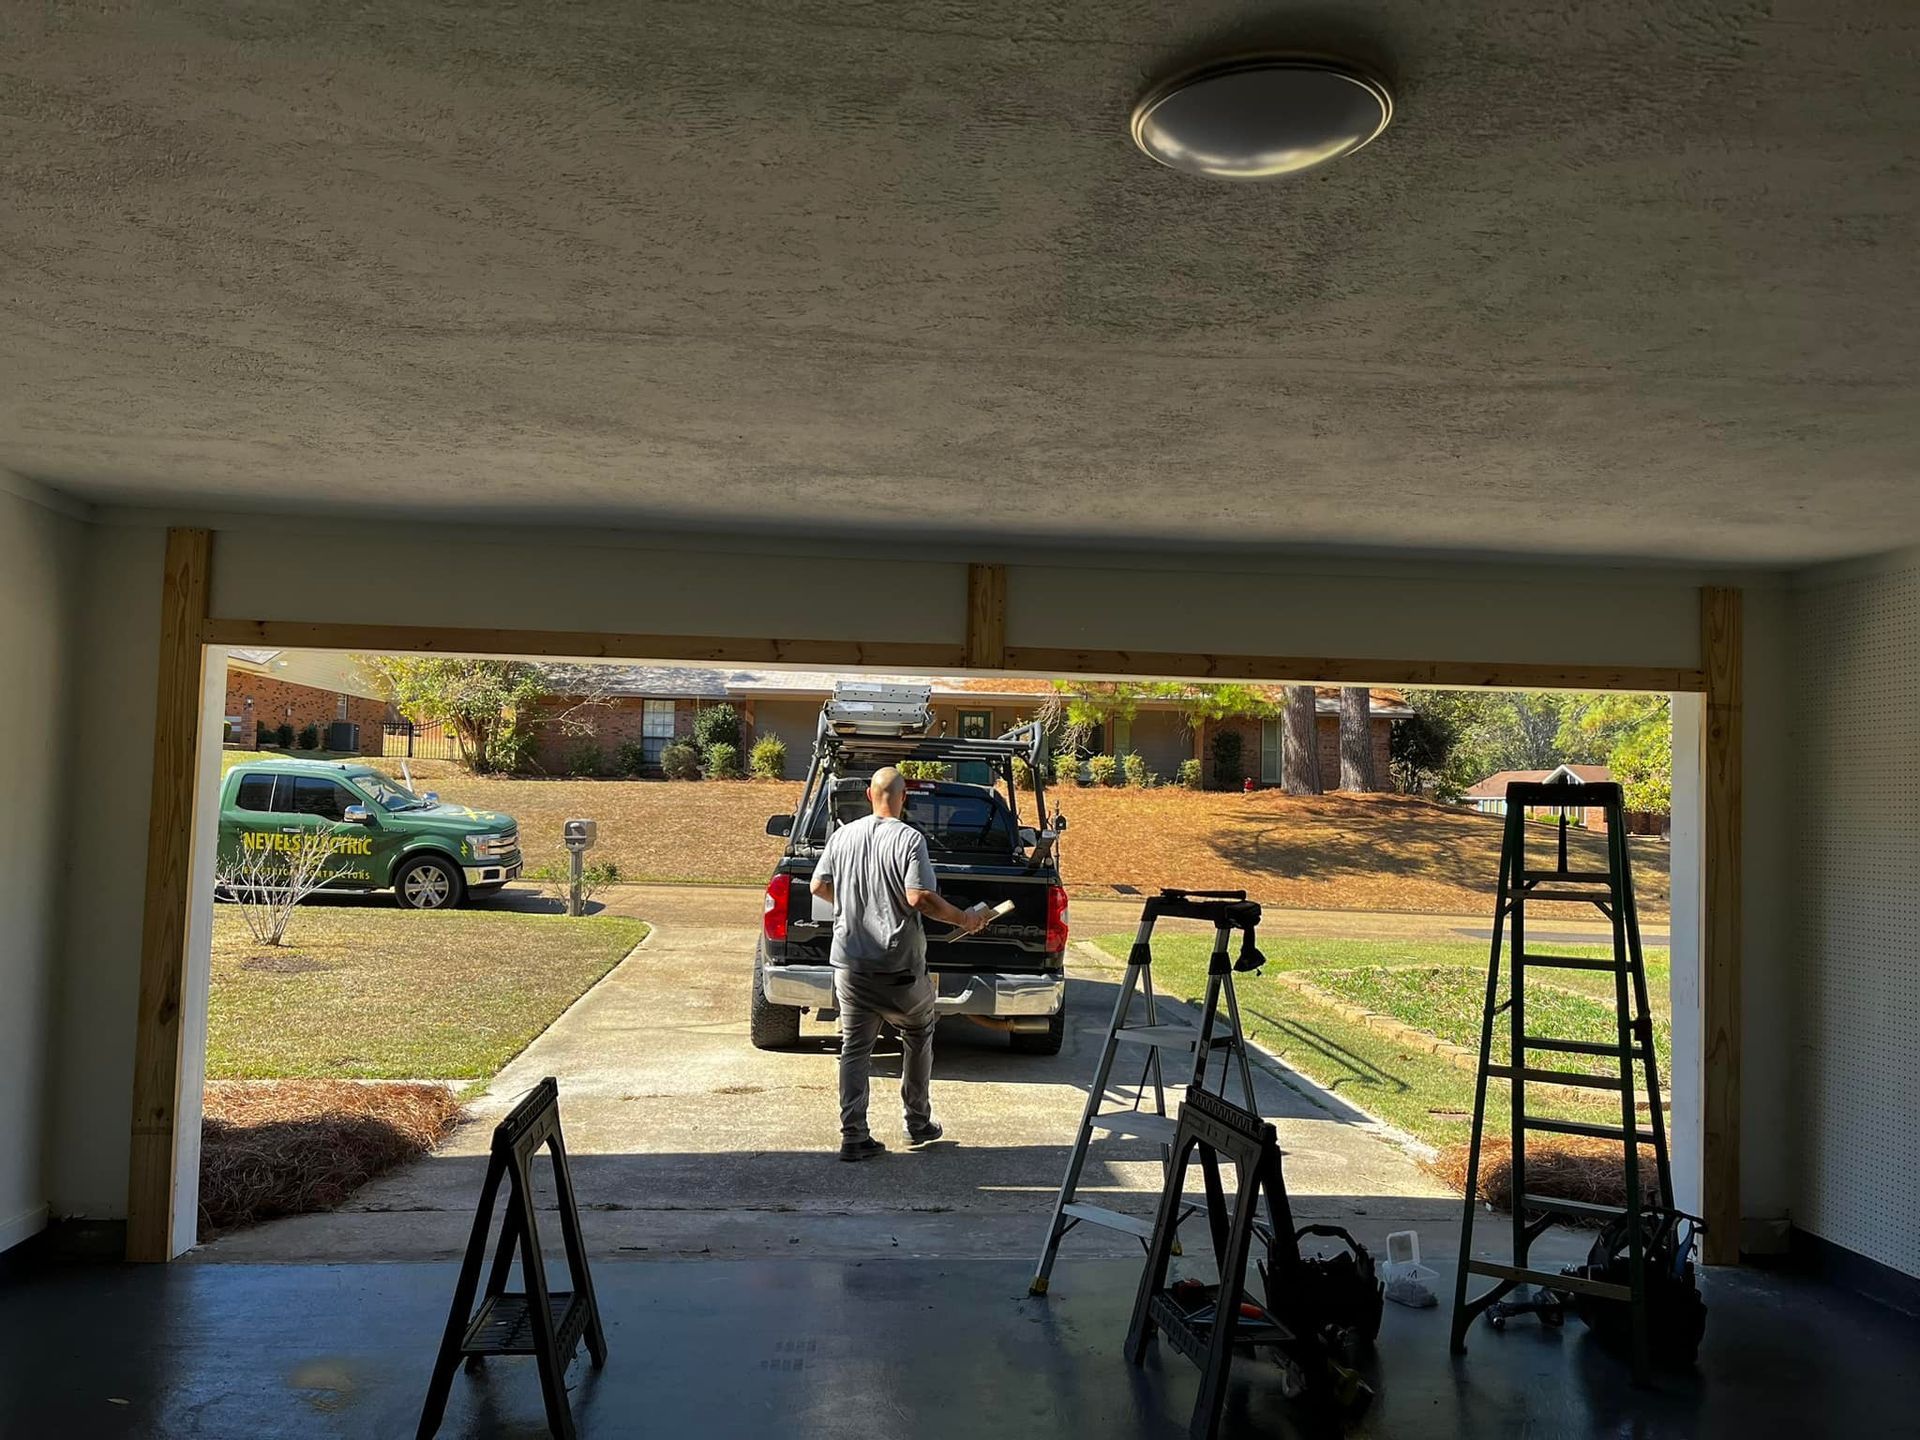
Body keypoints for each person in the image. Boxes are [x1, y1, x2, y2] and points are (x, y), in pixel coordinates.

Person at [810, 765, 987, 1161]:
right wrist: (965, 918)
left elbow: (817, 885)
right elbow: (919, 898)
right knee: (919, 1032)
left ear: (870, 796)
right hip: (899, 966)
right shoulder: (909, 839)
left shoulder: (842, 835)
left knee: (854, 1049)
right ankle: (917, 1122)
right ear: (903, 798)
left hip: (850, 965)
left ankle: (853, 1135)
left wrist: (849, 908)